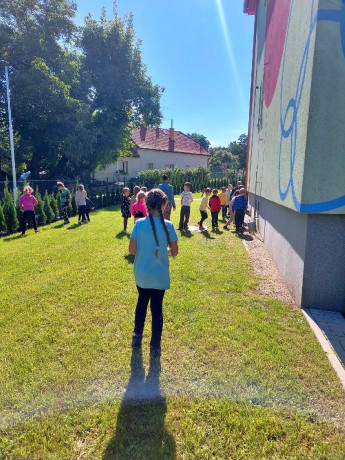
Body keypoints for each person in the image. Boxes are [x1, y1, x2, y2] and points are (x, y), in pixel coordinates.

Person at [129, 188, 179, 357]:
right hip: (159, 276)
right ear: (164, 204)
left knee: (142, 302)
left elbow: (132, 250)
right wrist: (163, 250)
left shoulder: (138, 224)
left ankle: (137, 335)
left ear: (146, 204)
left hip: (142, 274)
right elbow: (175, 252)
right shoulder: (169, 226)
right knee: (157, 308)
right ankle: (155, 345)